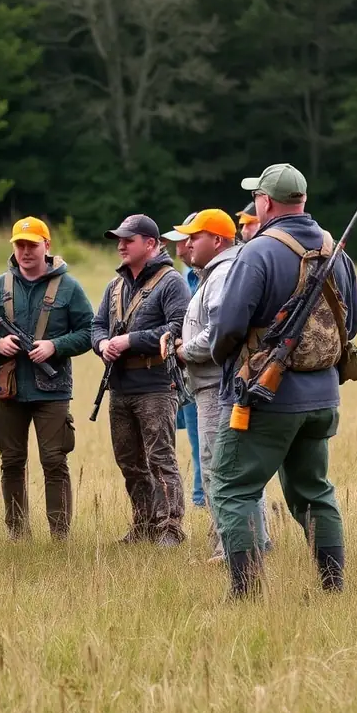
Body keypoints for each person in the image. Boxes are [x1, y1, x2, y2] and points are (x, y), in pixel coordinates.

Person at [210, 164, 357, 597]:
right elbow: (354, 322)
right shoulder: (337, 251)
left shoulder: (257, 252)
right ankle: (333, 588)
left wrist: (226, 360)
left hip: (266, 397)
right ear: (303, 201)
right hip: (323, 398)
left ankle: (245, 593)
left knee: (231, 487)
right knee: (314, 490)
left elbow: (229, 327)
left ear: (266, 202)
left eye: (257, 196)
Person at [0, 217, 93, 539]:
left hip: (52, 390)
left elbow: (89, 332)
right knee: (11, 460)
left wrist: (55, 346)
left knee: (54, 460)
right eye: (20, 245)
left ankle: (59, 534)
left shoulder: (69, 287)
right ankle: (17, 531)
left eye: (32, 245)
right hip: (8, 388)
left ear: (47, 246)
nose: (26, 251)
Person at [165, 209, 269, 562]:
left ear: (218, 240)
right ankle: (244, 542)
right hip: (210, 383)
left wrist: (183, 350)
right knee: (222, 465)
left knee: (218, 467)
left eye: (195, 237)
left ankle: (231, 548)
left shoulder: (223, 274)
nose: (188, 243)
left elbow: (219, 332)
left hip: (214, 383)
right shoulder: (213, 272)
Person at [91, 215, 191, 545]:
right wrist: (103, 343)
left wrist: (131, 341)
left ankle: (170, 528)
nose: (120, 244)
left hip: (156, 385)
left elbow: (177, 328)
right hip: (120, 387)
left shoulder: (171, 282)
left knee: (160, 459)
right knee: (129, 462)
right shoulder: (115, 285)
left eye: (128, 239)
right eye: (118, 239)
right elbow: (97, 326)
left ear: (150, 244)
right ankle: (144, 524)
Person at [161, 215, 203, 508]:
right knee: (195, 440)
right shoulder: (186, 274)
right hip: (186, 369)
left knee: (206, 441)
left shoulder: (207, 275)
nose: (177, 246)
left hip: (203, 366)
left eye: (184, 239)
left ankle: (202, 498)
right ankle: (200, 497)